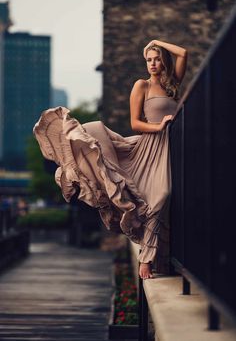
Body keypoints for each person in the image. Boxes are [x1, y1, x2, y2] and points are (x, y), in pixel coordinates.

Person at [33, 39, 187, 279]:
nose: (153, 64)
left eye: (157, 59)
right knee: (160, 196)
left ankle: (161, 260)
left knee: (163, 198)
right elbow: (135, 123)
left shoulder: (171, 85)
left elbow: (184, 53)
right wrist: (160, 126)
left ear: (164, 61)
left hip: (170, 148)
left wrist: (156, 42)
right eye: (148, 60)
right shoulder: (142, 86)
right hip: (150, 145)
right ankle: (146, 260)